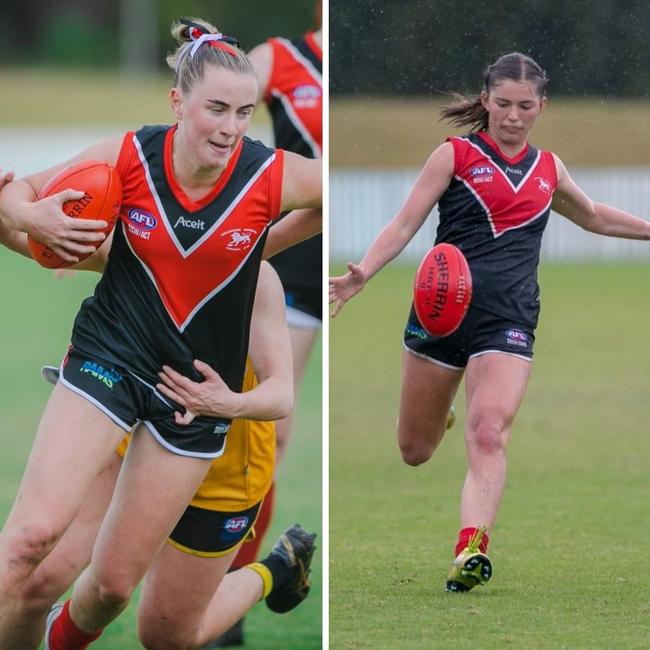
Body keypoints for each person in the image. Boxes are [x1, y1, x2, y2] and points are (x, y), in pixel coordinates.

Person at [0, 16, 320, 648]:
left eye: (244, 113)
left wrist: (262, 247)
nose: (230, 129)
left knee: (121, 595)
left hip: (192, 400)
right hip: (108, 362)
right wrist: (32, 214)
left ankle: (270, 568)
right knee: (28, 549)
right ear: (178, 102)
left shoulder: (268, 175)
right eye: (216, 110)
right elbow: (20, 200)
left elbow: (330, 195)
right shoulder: (128, 157)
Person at [329, 52, 650, 593]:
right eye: (502, 104)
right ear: (485, 101)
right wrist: (363, 274)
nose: (513, 116)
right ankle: (443, 411)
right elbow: (405, 223)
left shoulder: (549, 170)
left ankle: (471, 549)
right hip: (440, 313)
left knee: (489, 430)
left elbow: (592, 214)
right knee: (415, 450)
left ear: (541, 106)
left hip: (510, 320)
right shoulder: (453, 155)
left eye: (525, 106)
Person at [211, 5, 323, 646]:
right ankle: (236, 589)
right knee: (268, 434)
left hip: (357, 247)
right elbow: (212, 116)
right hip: (288, 261)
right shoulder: (281, 56)